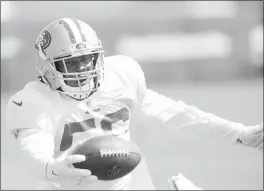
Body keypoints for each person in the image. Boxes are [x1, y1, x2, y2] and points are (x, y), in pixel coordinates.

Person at [6, 18, 263, 190]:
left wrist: (238, 133)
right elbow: (34, 150)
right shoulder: (32, 101)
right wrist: (53, 168)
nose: (83, 70)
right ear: (48, 68)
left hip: (127, 180)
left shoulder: (120, 76)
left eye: (88, 60)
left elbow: (174, 113)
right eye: (71, 63)